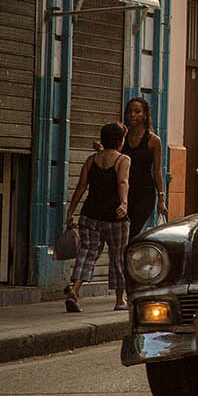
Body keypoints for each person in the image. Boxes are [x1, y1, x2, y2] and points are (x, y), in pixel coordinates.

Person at [65, 122, 132, 312]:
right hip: (114, 217)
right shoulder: (123, 160)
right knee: (118, 256)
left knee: (87, 253)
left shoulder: (91, 160)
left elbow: (81, 187)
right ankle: (120, 300)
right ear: (120, 141)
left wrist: (70, 212)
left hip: (90, 214)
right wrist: (124, 203)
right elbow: (123, 181)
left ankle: (75, 291)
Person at [121, 97, 164, 233]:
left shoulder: (153, 140)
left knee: (134, 230)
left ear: (145, 115)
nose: (132, 115)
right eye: (129, 112)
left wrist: (161, 198)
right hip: (124, 192)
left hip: (144, 193)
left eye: (137, 111)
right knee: (121, 231)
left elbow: (157, 171)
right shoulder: (122, 138)